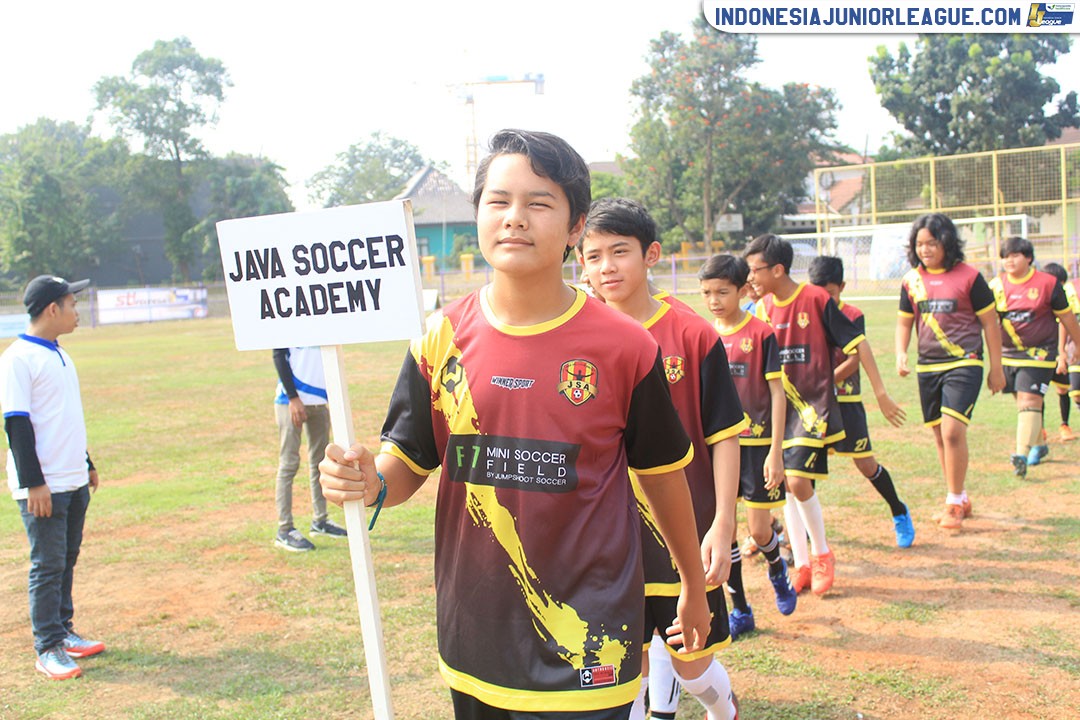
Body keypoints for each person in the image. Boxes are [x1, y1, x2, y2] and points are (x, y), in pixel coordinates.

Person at [318, 129, 712, 719]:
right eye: (498, 201)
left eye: (539, 203)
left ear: (576, 226)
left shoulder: (625, 346)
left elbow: (661, 473)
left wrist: (691, 584)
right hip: (475, 629)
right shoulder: (440, 336)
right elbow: (409, 457)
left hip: (590, 630)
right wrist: (369, 482)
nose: (515, 219)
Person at [578, 198, 745, 720]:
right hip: (604, 538)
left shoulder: (692, 334)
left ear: (650, 255)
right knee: (617, 670)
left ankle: (724, 711)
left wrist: (722, 523)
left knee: (691, 661)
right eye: (592, 256)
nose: (606, 267)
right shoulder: (575, 334)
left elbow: (723, 436)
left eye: (619, 252)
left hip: (681, 531)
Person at [746, 235, 904, 595]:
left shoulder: (816, 300)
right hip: (775, 411)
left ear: (777, 269)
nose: (750, 277)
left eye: (755, 270)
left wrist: (880, 393)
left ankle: (821, 554)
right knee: (783, 486)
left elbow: (856, 343)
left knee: (799, 482)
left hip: (812, 409)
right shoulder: (763, 309)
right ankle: (801, 563)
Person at [1, 275, 104, 680]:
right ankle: (47, 646)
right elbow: (17, 426)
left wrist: (86, 461)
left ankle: (63, 630)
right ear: (51, 310)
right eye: (72, 304)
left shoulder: (59, 354)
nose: (77, 312)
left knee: (66, 559)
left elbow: (64, 419)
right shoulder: (18, 359)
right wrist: (34, 484)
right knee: (47, 565)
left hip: (72, 479)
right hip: (45, 487)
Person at [700, 253, 797, 640]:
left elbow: (778, 393)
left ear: (742, 291)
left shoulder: (761, 333)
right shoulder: (704, 335)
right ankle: (740, 608)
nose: (714, 300)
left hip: (756, 448)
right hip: (719, 449)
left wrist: (776, 450)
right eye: (706, 293)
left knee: (759, 531)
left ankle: (777, 567)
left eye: (722, 292)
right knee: (724, 531)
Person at [896, 213, 1005, 530]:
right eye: (919, 243)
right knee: (940, 436)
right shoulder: (911, 280)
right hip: (928, 366)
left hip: (964, 362)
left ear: (947, 242)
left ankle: (954, 503)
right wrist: (902, 352)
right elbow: (905, 321)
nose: (925, 249)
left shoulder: (971, 278)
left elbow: (990, 323)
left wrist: (996, 368)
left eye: (932, 242)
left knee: (953, 431)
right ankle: (959, 496)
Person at [808, 256, 916, 549]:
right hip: (812, 406)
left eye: (829, 293)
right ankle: (807, 534)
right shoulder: (805, 314)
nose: (823, 299)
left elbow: (856, 357)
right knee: (805, 470)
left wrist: (826, 380)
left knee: (866, 464)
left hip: (846, 400)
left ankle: (898, 510)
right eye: (817, 292)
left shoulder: (853, 314)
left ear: (841, 287)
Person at [987, 239, 1080, 475]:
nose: (1009, 260)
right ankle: (1039, 444)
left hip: (1039, 354)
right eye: (1005, 256)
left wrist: (1077, 346)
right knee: (1024, 404)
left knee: (1029, 401)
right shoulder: (996, 286)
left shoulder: (1048, 284)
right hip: (1009, 355)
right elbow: (987, 321)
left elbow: (1068, 318)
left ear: (1029, 258)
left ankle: (1021, 454)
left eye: (1015, 255)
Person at [272, 347, 346, 551]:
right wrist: (293, 398)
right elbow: (278, 355)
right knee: (289, 464)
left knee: (320, 464)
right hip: (290, 402)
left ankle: (320, 521)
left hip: (319, 402)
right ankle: (285, 529)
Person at [1044, 262, 1080, 441]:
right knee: (1037, 392)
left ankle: (1064, 424)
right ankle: (1039, 429)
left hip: (1065, 351)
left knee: (1065, 389)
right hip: (1048, 352)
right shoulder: (1042, 301)